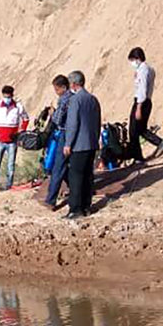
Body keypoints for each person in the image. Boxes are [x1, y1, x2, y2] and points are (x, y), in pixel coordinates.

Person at [63, 70, 102, 219]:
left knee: (75, 177)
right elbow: (98, 122)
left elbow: (72, 124)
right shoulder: (93, 99)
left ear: (73, 84)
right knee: (87, 176)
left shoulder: (75, 100)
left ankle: (75, 209)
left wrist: (68, 143)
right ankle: (87, 207)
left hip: (79, 145)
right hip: (91, 143)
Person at [127, 47, 163, 162]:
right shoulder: (149, 69)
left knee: (133, 131)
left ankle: (138, 158)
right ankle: (161, 143)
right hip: (146, 102)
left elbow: (142, 89)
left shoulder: (143, 70)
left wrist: (139, 107)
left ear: (137, 58)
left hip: (141, 102)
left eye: (132, 60)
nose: (132, 63)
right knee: (141, 129)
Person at [0, 85, 29, 193]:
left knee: (10, 166)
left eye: (9, 95)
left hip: (12, 141)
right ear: (3, 94)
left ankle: (9, 187)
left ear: (12, 95)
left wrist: (21, 132)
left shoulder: (18, 106)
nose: (7, 97)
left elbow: (25, 119)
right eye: (5, 95)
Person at [43, 74, 73, 208]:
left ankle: (51, 200)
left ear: (63, 87)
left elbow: (58, 119)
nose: (56, 92)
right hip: (72, 134)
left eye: (57, 89)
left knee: (58, 167)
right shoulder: (74, 97)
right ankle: (80, 189)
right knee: (66, 166)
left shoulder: (64, 99)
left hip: (64, 134)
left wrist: (52, 114)